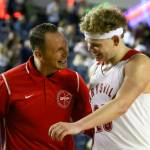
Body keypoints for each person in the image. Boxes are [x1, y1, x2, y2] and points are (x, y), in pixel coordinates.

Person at [48, 6, 150, 150]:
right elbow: (86, 107)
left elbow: (121, 104)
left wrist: (77, 125)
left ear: (115, 39)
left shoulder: (138, 63)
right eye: (88, 44)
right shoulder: (96, 68)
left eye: (96, 45)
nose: (90, 49)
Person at [0, 23, 93, 150]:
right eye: (58, 50)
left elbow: (90, 124)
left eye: (65, 47)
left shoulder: (74, 80)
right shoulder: (7, 82)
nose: (66, 53)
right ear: (38, 54)